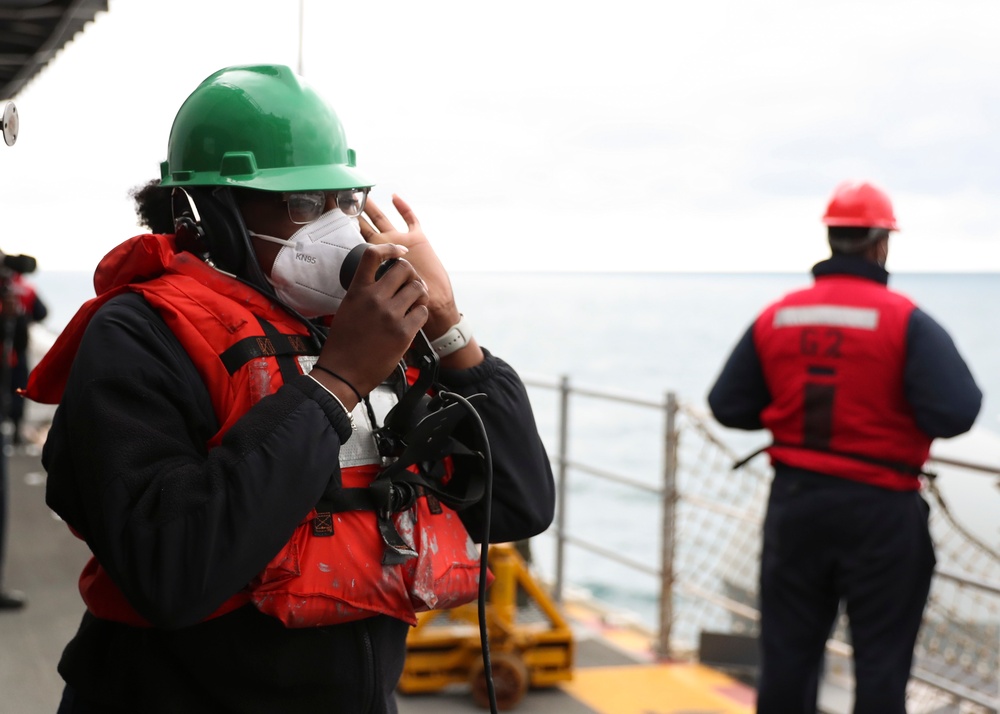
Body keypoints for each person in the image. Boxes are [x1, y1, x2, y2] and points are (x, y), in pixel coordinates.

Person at [25, 64, 555, 713]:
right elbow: (169, 571)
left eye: (345, 201)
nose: (331, 225)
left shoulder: (370, 328)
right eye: (302, 203)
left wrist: (446, 323)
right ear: (208, 210)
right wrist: (337, 383)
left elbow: (518, 507)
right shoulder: (138, 335)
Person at [707, 180, 982, 714]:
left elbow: (726, 405)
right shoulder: (906, 319)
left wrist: (785, 412)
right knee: (881, 663)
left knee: (786, 657)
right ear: (882, 243)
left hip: (796, 505)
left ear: (832, 239)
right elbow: (956, 412)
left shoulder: (779, 315)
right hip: (881, 511)